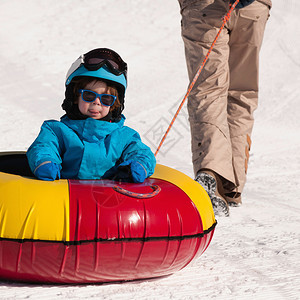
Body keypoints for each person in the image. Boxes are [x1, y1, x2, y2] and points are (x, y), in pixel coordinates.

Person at [178, 0, 271, 216]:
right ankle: (232, 185)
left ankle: (211, 172)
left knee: (208, 88)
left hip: (204, 7)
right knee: (241, 94)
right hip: (252, 8)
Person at [27, 48, 156, 182]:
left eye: (106, 99)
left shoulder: (124, 137)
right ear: (75, 97)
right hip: (64, 197)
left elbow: (141, 153)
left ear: (114, 104)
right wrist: (45, 163)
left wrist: (136, 166)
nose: (97, 102)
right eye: (89, 95)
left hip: (107, 198)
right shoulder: (56, 131)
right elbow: (44, 147)